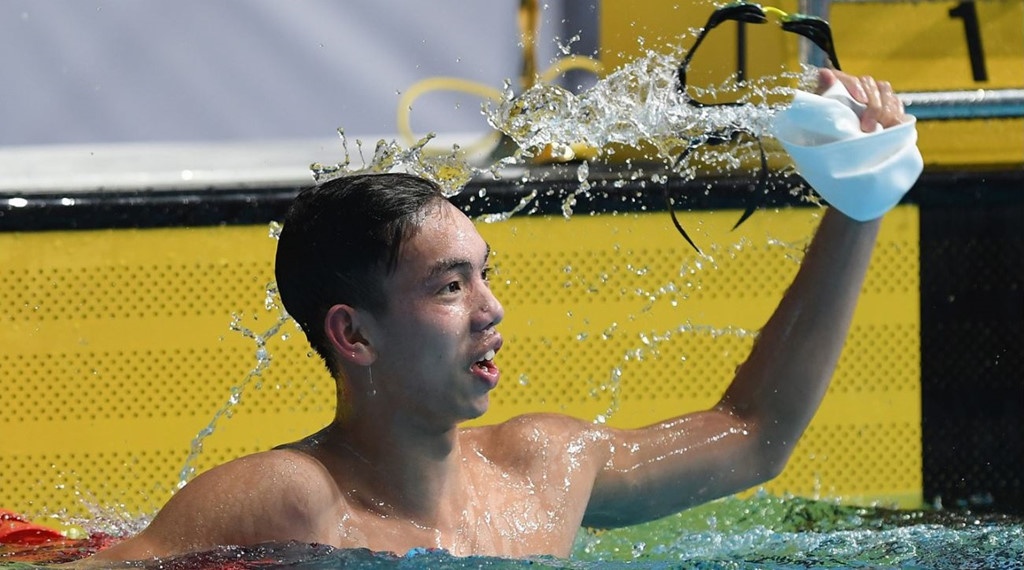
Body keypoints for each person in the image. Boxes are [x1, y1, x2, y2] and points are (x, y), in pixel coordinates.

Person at [89, 68, 910, 561]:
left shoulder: (544, 468)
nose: (491, 309)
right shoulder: (293, 500)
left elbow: (754, 434)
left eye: (485, 275)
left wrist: (858, 204)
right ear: (354, 334)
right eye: (449, 287)